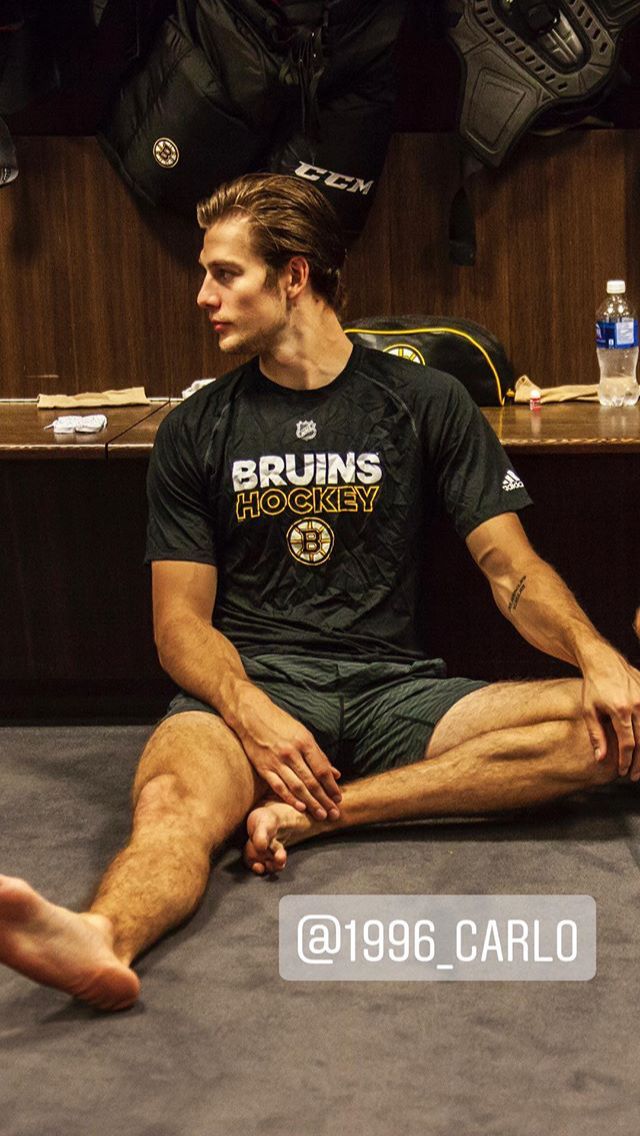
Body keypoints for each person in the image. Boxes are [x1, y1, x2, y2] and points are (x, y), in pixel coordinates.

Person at [1, 173, 639, 1013]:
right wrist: (246, 707)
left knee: (614, 725)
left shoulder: (424, 401)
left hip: (397, 693)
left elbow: (509, 568)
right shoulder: (199, 428)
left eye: (225, 273)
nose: (203, 295)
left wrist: (598, 655)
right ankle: (102, 936)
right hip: (253, 690)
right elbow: (178, 625)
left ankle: (330, 813)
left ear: (294, 276)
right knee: (171, 803)